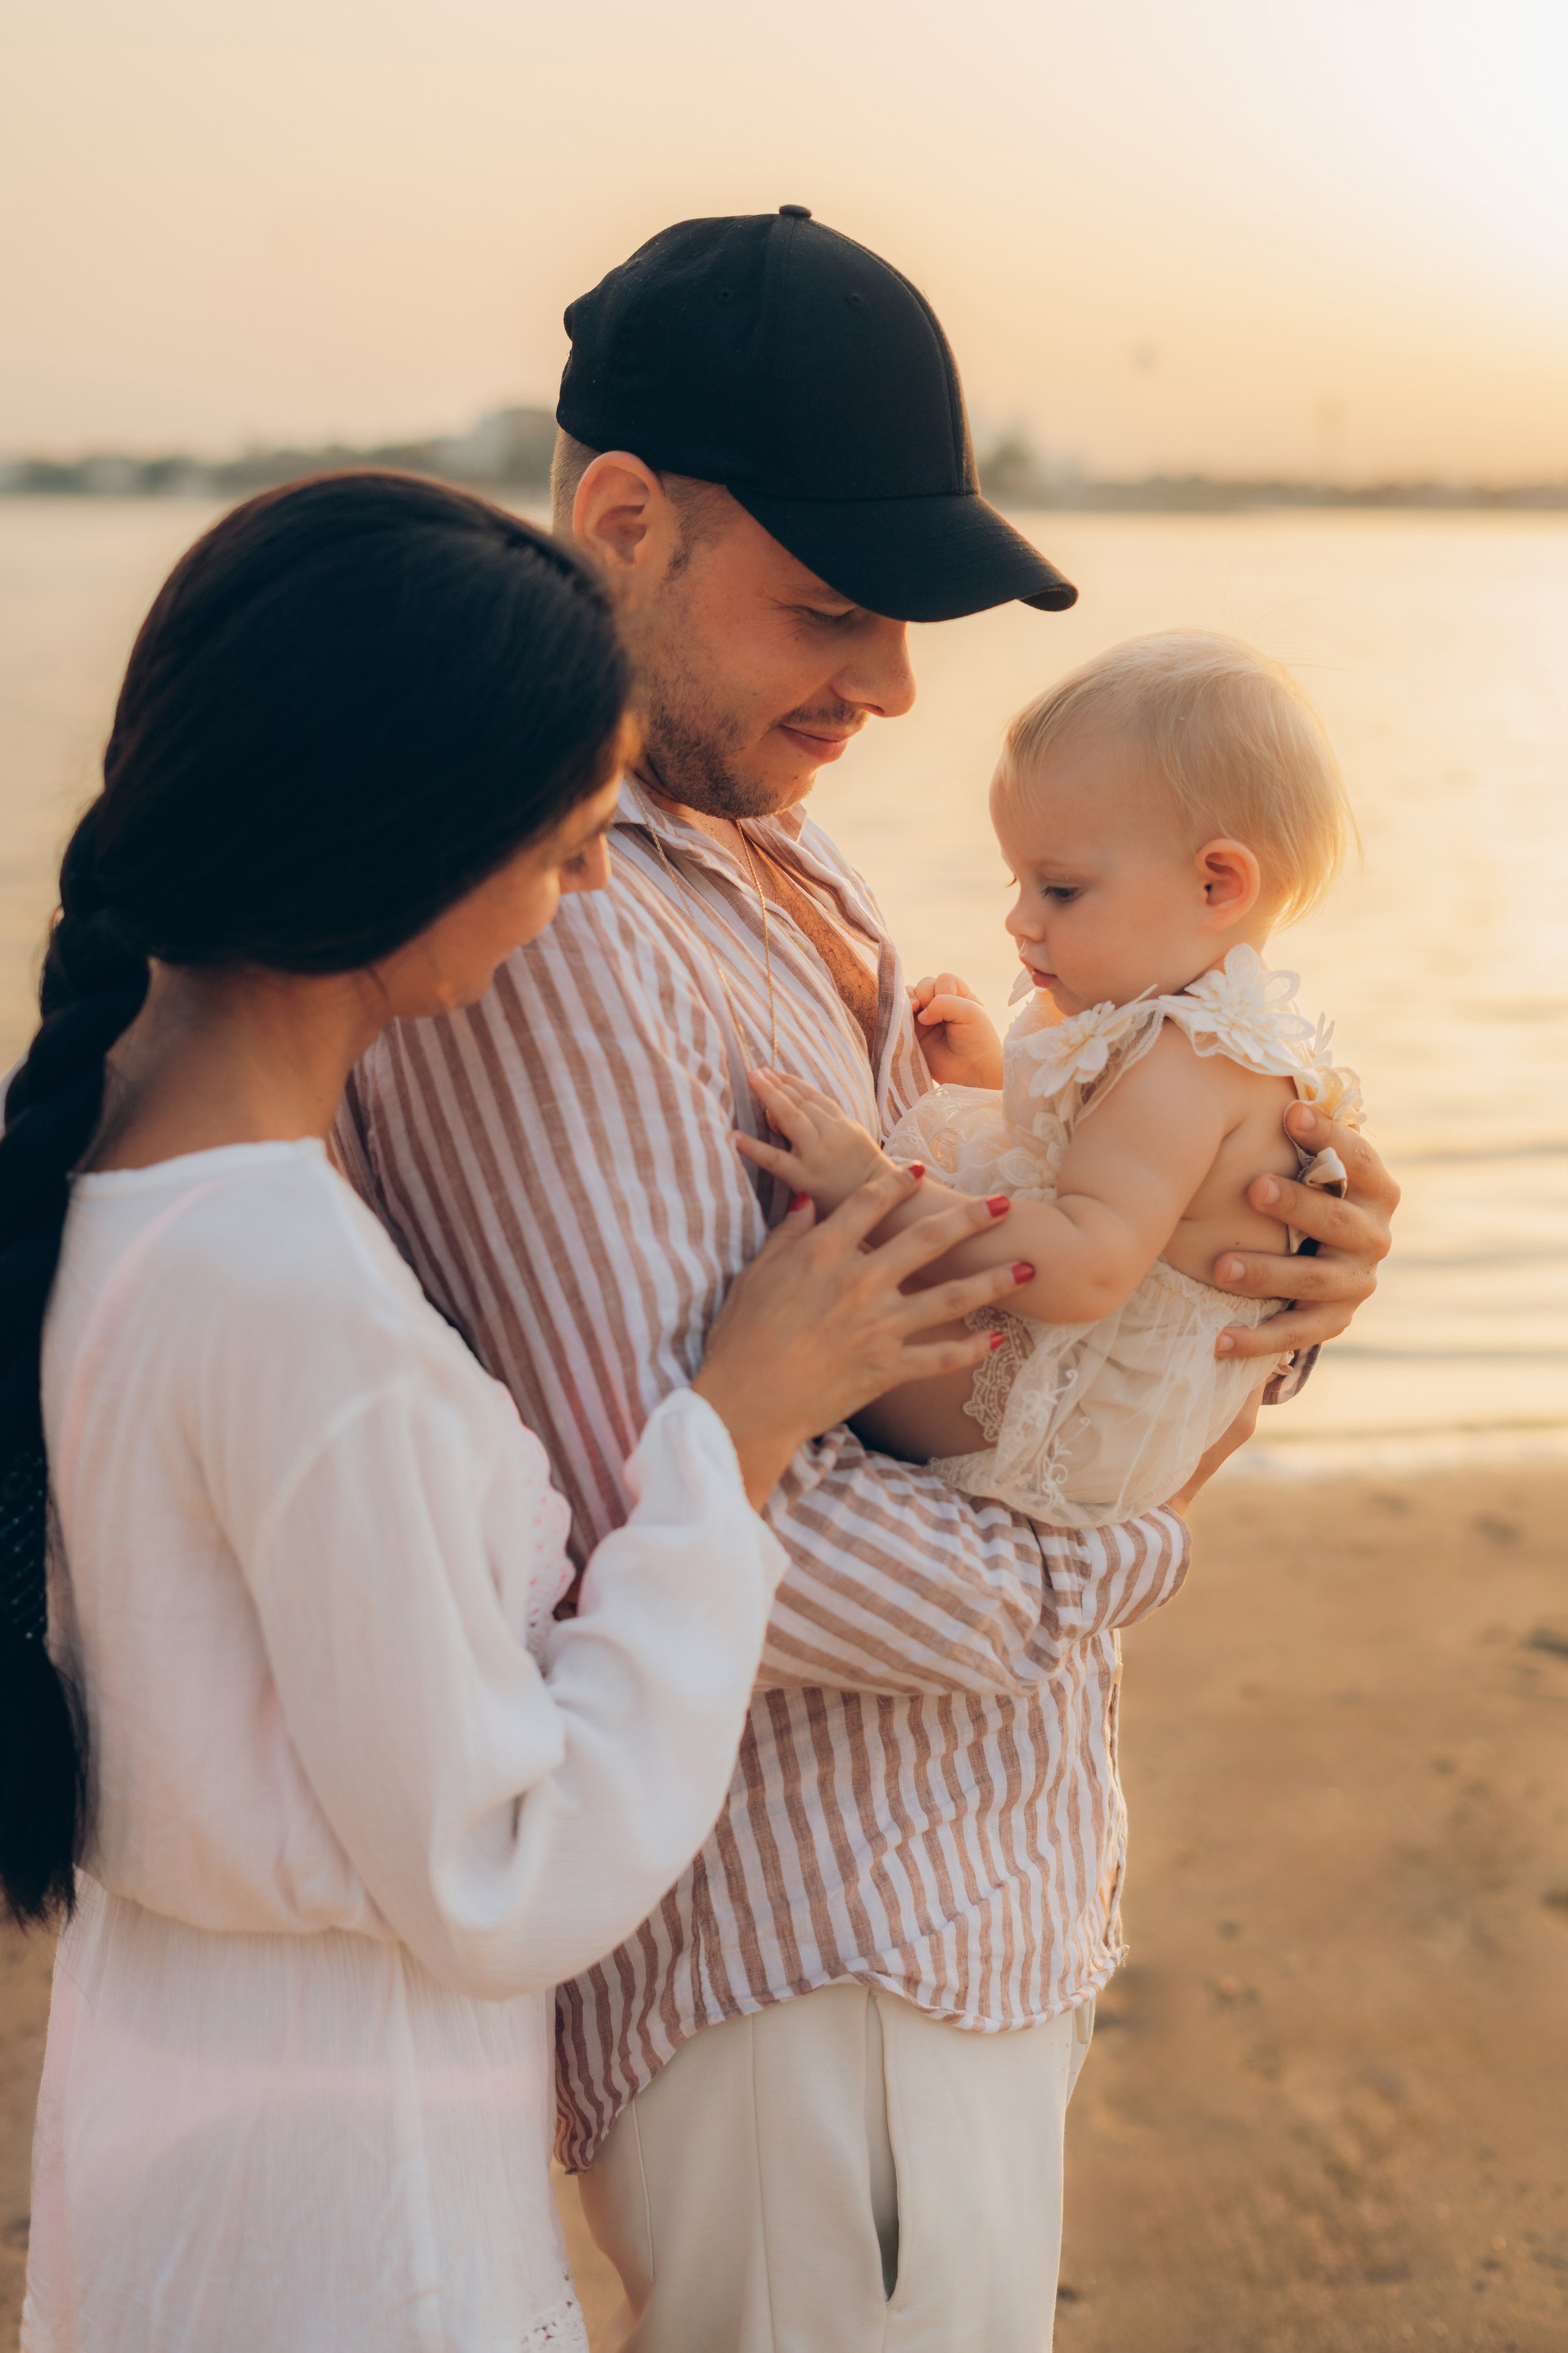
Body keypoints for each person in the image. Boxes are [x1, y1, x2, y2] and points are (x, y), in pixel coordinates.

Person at [335, 211, 1398, 2352]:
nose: (895, 684)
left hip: (956, 1915)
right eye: (833, 607)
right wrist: (1109, 1557)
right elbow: (662, 1513)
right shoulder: (542, 931)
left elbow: (968, 1310)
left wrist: (1257, 1272)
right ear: (621, 522)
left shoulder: (773, 844)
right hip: (809, 1976)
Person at [0, 471, 1026, 2353]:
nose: (576, 901)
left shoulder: (98, 1181)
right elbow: (501, 1869)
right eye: (561, 851)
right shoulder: (294, 1298)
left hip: (170, 2094)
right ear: (404, 844)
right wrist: (730, 1430)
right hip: (339, 2192)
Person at [741, 630, 1370, 1529]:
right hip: (1100, 1373)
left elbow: (1084, 1263)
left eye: (1061, 890)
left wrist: (878, 1192)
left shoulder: (1188, 1065)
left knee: (821, 1335)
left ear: (1218, 885)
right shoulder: (1170, 1035)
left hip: (1073, 1408)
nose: (1019, 921)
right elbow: (1097, 1165)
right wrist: (998, 1084)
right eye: (1018, 881)